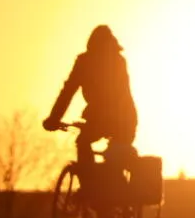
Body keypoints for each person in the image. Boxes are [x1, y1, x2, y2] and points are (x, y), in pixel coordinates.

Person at [43, 25, 140, 190]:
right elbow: (68, 91)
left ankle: (90, 187)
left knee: (84, 142)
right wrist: (54, 117)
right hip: (126, 119)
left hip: (114, 119)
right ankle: (100, 192)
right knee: (112, 160)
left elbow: (68, 91)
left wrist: (54, 119)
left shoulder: (85, 62)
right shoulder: (117, 61)